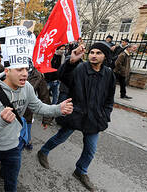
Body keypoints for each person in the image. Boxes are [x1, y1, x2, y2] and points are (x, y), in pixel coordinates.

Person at [0, 58, 73, 192]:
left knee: (11, 180)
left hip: (14, 145)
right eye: (19, 69)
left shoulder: (27, 87)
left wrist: (58, 109)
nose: (25, 73)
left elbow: (38, 107)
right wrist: (1, 120)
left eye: (26, 69)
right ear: (7, 71)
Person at [37, 42, 116, 192]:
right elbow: (62, 77)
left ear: (105, 56)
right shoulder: (80, 68)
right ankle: (43, 151)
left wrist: (105, 114)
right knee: (60, 137)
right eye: (92, 52)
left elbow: (110, 98)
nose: (94, 55)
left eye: (98, 53)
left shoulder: (108, 74)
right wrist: (71, 61)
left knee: (91, 149)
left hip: (95, 118)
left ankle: (81, 171)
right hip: (76, 114)